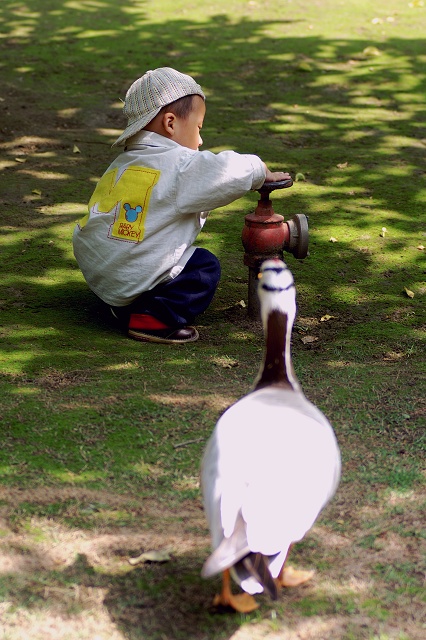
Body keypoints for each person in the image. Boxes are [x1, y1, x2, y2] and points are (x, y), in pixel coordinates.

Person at [73, 67, 290, 344]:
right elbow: (225, 170)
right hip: (129, 273)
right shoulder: (178, 165)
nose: (200, 140)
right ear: (171, 124)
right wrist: (259, 171)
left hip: (100, 271)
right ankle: (153, 318)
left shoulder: (122, 164)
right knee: (202, 267)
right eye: (198, 128)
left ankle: (122, 304)